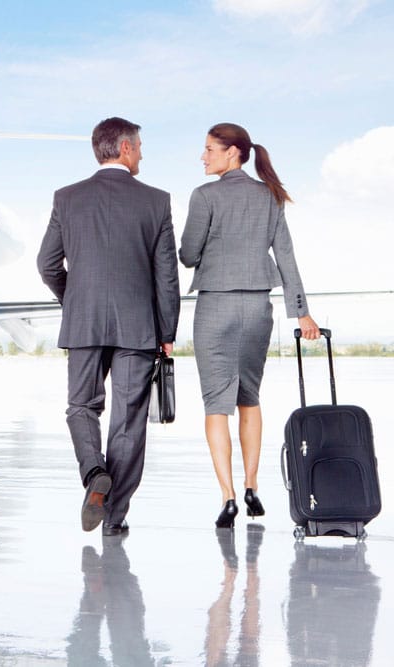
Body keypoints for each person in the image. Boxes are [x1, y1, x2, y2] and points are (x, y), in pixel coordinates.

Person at [37, 117, 180, 537]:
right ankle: (113, 517)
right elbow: (166, 277)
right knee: (128, 421)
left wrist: (75, 299)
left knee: (81, 407)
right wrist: (167, 331)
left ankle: (93, 473)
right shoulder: (157, 201)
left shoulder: (67, 198)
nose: (141, 153)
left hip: (82, 321)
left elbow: (47, 265)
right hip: (139, 326)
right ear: (124, 148)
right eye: (139, 146)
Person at [179, 122, 320, 529]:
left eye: (209, 149)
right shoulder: (269, 196)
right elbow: (287, 256)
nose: (203, 156)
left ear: (233, 153)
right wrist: (302, 312)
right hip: (259, 308)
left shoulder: (204, 196)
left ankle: (226, 496)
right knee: (249, 399)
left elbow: (188, 255)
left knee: (215, 405)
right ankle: (252, 485)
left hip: (216, 306)